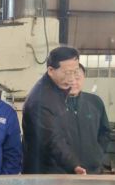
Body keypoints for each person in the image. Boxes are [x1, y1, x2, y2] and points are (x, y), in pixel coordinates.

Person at [22, 46, 87, 175]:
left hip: (59, 167)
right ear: (51, 71)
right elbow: (52, 140)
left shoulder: (60, 89)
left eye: (75, 71)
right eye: (67, 72)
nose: (72, 77)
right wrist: (73, 165)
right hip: (45, 173)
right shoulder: (41, 100)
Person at [64, 64, 111, 175]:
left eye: (77, 78)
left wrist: (97, 154)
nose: (73, 82)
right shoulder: (54, 104)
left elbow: (105, 132)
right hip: (63, 172)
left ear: (84, 78)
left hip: (92, 170)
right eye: (69, 78)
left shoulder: (95, 102)